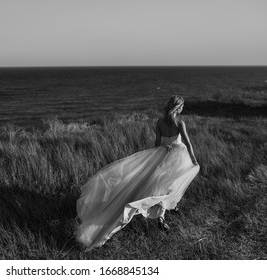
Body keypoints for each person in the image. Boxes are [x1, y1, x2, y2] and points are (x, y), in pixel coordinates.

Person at [75, 95, 200, 251]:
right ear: (178, 107)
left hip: (162, 155)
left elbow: (157, 144)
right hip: (178, 158)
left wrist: (160, 153)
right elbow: (187, 143)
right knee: (169, 187)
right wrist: (194, 161)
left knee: (159, 186)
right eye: (182, 107)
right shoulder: (180, 123)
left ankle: (166, 211)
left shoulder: (160, 123)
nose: (182, 109)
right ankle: (162, 216)